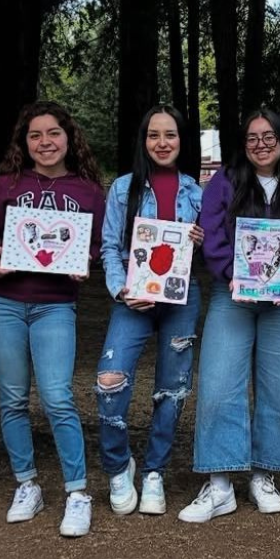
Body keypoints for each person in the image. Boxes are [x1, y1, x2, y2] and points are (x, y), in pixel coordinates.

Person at [179, 109, 280, 522]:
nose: (261, 144)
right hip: (233, 297)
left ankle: (265, 473)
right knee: (219, 381)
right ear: (242, 143)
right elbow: (212, 234)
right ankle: (220, 481)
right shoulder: (224, 182)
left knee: (279, 385)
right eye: (252, 138)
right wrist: (230, 274)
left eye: (269, 136)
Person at [0, 101, 106, 537]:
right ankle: (27, 484)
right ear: (24, 142)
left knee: (57, 397)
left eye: (53, 133)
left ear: (69, 138)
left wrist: (83, 261)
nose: (45, 142)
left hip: (54, 303)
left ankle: (77, 492)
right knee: (12, 399)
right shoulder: (7, 184)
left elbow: (94, 243)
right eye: (35, 135)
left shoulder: (87, 190)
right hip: (2, 303)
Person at [98, 104, 203, 516]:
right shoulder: (123, 188)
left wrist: (201, 238)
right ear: (143, 140)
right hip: (133, 299)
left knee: (173, 388)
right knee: (110, 381)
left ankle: (155, 470)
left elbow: (212, 252)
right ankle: (119, 465)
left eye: (171, 135)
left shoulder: (196, 191)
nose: (162, 143)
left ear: (182, 140)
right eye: (154, 135)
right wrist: (120, 290)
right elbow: (109, 247)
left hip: (181, 298)